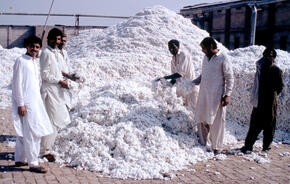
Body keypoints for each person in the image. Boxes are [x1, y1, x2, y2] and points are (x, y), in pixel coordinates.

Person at [12, 36, 53, 173]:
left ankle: (20, 158)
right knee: (32, 132)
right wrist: (20, 103)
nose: (34, 49)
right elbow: (17, 84)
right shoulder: (21, 61)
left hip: (35, 100)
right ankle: (33, 163)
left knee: (26, 131)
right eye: (32, 46)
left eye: (37, 47)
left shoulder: (35, 62)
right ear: (26, 47)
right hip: (26, 102)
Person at [193, 37, 234, 154]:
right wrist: (193, 82)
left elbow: (229, 77)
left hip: (217, 96)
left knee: (217, 122)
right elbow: (203, 75)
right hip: (204, 95)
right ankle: (202, 144)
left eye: (204, 48)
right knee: (201, 118)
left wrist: (227, 95)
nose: (202, 51)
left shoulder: (223, 57)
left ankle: (216, 147)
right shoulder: (205, 58)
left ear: (211, 46)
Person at [240, 48, 284, 153]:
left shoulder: (277, 70)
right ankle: (248, 145)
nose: (269, 59)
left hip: (270, 102)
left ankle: (266, 147)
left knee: (269, 125)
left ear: (274, 58)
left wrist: (272, 95)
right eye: (267, 56)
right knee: (254, 124)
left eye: (271, 57)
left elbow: (280, 87)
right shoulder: (260, 68)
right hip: (259, 101)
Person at [40, 28, 71, 162]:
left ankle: (49, 147)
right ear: (50, 39)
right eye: (56, 39)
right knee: (52, 120)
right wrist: (59, 81)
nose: (58, 42)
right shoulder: (46, 53)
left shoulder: (55, 53)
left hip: (57, 90)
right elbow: (44, 74)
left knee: (58, 119)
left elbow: (57, 70)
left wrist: (65, 78)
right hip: (50, 91)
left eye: (60, 39)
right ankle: (45, 150)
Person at [157, 39, 197, 107]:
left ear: (178, 47)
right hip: (181, 88)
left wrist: (164, 78)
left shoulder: (183, 55)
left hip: (190, 87)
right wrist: (167, 85)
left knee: (192, 108)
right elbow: (175, 77)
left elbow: (180, 74)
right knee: (183, 108)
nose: (171, 50)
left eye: (173, 47)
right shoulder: (173, 59)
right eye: (170, 48)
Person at [57, 33, 78, 110]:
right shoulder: (54, 53)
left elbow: (67, 65)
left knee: (68, 99)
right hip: (59, 80)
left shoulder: (65, 52)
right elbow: (55, 68)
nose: (63, 43)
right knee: (62, 101)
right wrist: (67, 75)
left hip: (67, 79)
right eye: (61, 41)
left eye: (65, 41)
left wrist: (72, 74)